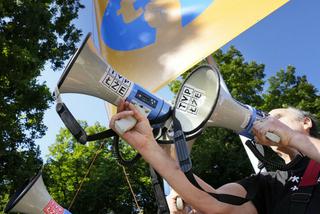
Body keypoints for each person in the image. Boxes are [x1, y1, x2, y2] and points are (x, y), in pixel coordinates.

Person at [109, 101, 320, 214]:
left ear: (306, 122)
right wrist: (149, 146)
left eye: (278, 117)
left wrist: (292, 137)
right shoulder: (266, 182)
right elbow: (215, 203)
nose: (269, 121)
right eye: (267, 118)